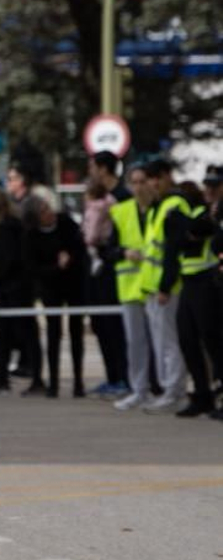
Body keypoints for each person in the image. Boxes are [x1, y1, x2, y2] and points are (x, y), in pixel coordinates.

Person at [112, 158, 188, 412]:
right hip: (145, 287)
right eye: (138, 182)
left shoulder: (169, 206)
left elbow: (171, 251)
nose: (145, 186)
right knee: (151, 343)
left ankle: (172, 391)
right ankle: (157, 390)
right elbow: (110, 248)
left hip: (163, 287)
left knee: (168, 343)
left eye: (148, 180)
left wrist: (165, 285)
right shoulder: (140, 210)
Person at [20, 194, 87, 397]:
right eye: (43, 211)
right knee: (53, 333)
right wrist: (56, 267)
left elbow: (79, 246)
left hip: (74, 284)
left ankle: (78, 382)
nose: (49, 213)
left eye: (48, 208)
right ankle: (54, 382)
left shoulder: (66, 222)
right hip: (50, 288)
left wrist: (70, 257)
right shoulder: (31, 236)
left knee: (77, 332)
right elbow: (33, 268)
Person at [0, 188, 43, 395]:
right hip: (16, 289)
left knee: (18, 335)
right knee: (16, 336)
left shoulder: (6, 230)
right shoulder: (12, 227)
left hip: (12, 290)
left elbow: (6, 263)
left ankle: (15, 378)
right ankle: (11, 378)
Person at [172, 178, 223, 417]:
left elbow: (202, 233)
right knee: (187, 338)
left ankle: (217, 392)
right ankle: (202, 394)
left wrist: (198, 230)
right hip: (189, 281)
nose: (210, 191)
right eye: (208, 187)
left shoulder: (214, 213)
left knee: (213, 339)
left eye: (215, 186)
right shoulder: (202, 212)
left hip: (208, 281)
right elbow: (183, 237)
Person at [80, 174, 130, 396]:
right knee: (108, 329)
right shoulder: (114, 204)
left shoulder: (98, 208)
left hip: (106, 269)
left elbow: (90, 235)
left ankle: (119, 377)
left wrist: (88, 242)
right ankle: (118, 377)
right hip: (108, 268)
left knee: (112, 330)